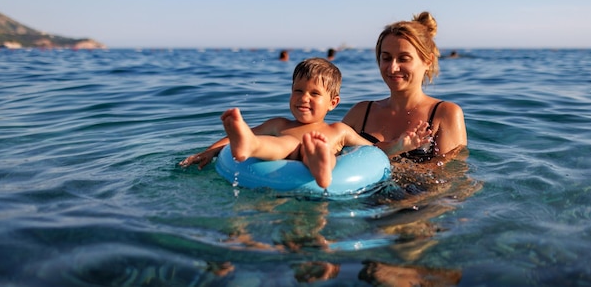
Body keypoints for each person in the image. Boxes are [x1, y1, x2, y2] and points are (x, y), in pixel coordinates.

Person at [179, 57, 430, 188]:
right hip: (283, 153)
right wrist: (210, 151)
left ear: (333, 102)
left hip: (323, 154)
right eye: (297, 91)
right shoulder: (280, 123)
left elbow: (371, 150)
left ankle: (322, 166)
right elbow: (232, 141)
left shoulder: (338, 130)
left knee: (318, 147)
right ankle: (249, 147)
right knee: (281, 143)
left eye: (314, 94)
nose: (303, 98)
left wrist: (400, 144)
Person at [342, 12, 467, 160]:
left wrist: (389, 156)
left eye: (404, 59)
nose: (393, 68)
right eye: (386, 58)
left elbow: (452, 175)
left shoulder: (445, 114)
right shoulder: (361, 113)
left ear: (427, 61)